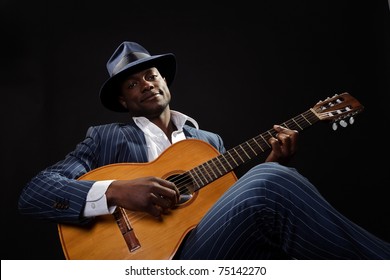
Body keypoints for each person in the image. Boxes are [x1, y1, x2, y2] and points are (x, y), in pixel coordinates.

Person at [18, 41, 390, 260]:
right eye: (133, 83)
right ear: (123, 101)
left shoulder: (208, 143)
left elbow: (234, 207)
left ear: (164, 81)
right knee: (270, 180)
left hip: (206, 248)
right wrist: (116, 191)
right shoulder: (104, 138)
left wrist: (275, 165)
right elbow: (36, 192)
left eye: (151, 75)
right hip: (143, 257)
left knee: (273, 176)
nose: (146, 84)